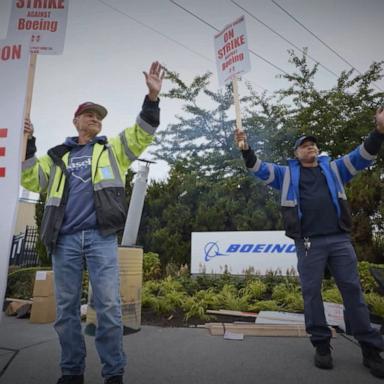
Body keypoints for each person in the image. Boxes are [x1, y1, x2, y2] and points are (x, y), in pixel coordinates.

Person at [21, 61, 164, 384]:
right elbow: (31, 178)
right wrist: (27, 142)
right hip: (65, 240)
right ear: (76, 121)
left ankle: (113, 373)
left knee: (110, 308)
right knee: (66, 312)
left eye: (99, 116)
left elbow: (142, 133)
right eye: (89, 114)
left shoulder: (112, 149)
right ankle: (72, 372)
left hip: (100, 238)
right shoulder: (56, 156)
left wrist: (152, 98)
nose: (96, 119)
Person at [235, 107, 384, 378]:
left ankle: (370, 350)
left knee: (353, 292)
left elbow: (362, 156)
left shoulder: (335, 168)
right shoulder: (286, 174)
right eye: (304, 146)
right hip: (308, 244)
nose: (310, 147)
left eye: (312, 144)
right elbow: (258, 168)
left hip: (339, 240)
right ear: (296, 154)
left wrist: (379, 131)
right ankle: (322, 346)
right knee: (311, 294)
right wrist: (246, 148)